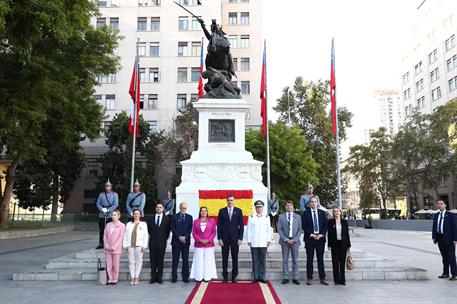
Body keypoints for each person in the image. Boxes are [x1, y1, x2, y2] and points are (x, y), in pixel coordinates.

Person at [217, 194, 244, 283]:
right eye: (228, 200)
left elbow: (242, 226)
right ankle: (225, 276)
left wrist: (240, 238)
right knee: (224, 257)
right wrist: (219, 238)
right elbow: (219, 226)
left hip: (235, 239)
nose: (230, 202)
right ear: (226, 201)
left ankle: (234, 276)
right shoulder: (222, 211)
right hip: (224, 239)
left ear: (234, 201)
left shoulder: (239, 211)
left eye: (231, 200)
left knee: (235, 257)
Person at [302, 196, 328, 285]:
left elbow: (325, 226)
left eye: (315, 202)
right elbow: (304, 226)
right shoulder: (305, 213)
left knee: (320, 259)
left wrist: (321, 235)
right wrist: (312, 235)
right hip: (310, 239)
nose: (313, 203)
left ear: (317, 203)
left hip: (320, 239)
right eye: (312, 202)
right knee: (310, 259)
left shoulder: (322, 213)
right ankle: (309, 277)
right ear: (309, 203)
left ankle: (322, 277)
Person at [247, 200, 272, 283]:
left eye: (260, 207)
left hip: (263, 242)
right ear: (255, 208)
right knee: (255, 260)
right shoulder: (251, 217)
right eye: (257, 207)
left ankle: (262, 277)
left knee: (262, 260)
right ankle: (255, 277)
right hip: (254, 242)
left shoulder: (267, 217)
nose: (259, 209)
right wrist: (249, 240)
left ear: (263, 208)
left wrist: (268, 240)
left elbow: (269, 230)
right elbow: (249, 229)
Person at [190, 206, 218, 282]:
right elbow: (194, 233)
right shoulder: (196, 221)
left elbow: (214, 232)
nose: (203, 212)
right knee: (199, 261)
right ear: (200, 212)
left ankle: (207, 277)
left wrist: (208, 240)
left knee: (208, 261)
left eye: (205, 211)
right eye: (202, 211)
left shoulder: (212, 221)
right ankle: (199, 277)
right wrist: (200, 240)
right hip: (199, 245)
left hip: (209, 245)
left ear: (207, 212)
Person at [277, 200, 302, 285]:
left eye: (290, 205)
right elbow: (279, 229)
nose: (289, 207)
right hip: (284, 242)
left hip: (295, 241)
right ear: (285, 207)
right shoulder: (281, 217)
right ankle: (286, 277)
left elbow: (300, 230)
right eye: (287, 205)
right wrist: (285, 239)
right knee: (285, 260)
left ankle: (295, 277)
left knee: (295, 260)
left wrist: (294, 239)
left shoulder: (298, 217)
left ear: (293, 207)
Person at [432, 200, 457, 280]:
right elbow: (434, 227)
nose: (439, 205)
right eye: (438, 204)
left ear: (445, 205)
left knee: (451, 257)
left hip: (449, 239)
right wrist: (434, 237)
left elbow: (455, 228)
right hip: (440, 238)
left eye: (441, 204)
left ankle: (454, 274)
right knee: (444, 257)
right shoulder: (436, 215)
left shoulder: (451, 215)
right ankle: (445, 273)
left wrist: (455, 239)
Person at [123, 209, 149, 285]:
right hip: (130, 245)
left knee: (138, 261)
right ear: (133, 215)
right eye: (135, 214)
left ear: (140, 215)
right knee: (131, 262)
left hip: (139, 245)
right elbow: (125, 235)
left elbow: (145, 235)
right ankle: (132, 277)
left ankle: (137, 276)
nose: (136, 215)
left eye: (138, 214)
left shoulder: (143, 224)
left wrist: (144, 245)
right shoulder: (128, 224)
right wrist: (125, 245)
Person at [148, 202, 171, 284]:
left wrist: (163, 238)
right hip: (152, 242)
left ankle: (159, 277)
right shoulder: (151, 218)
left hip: (162, 242)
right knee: (152, 260)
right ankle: (153, 277)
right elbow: (149, 230)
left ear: (163, 209)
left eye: (160, 207)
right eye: (157, 207)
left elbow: (167, 231)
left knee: (161, 260)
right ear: (155, 208)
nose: (158, 208)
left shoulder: (167, 219)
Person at [328, 207, 351, 285]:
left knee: (342, 263)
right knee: (335, 263)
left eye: (338, 211)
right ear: (333, 213)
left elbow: (347, 234)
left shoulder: (344, 222)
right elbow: (329, 235)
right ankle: (336, 280)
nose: (336, 212)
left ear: (340, 212)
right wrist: (329, 245)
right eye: (335, 211)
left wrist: (349, 246)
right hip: (334, 244)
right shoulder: (331, 222)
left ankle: (342, 280)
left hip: (343, 244)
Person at [171, 202, 193, 283]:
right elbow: (173, 228)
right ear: (179, 208)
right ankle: (174, 277)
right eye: (182, 208)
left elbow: (190, 229)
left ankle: (185, 277)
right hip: (176, 241)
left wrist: (185, 237)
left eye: (185, 208)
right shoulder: (174, 217)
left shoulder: (189, 217)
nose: (183, 209)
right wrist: (179, 237)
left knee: (185, 260)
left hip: (186, 241)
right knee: (175, 259)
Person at [95, 179, 119, 249]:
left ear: (111, 187)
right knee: (102, 229)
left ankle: (110, 243)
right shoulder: (101, 194)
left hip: (111, 214)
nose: (107, 187)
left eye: (109, 186)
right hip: (102, 214)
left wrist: (109, 210)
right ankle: (101, 243)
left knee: (110, 230)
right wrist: (102, 209)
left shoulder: (115, 194)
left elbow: (116, 204)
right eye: (106, 186)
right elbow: (98, 203)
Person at [103, 209, 125, 285]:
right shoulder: (108, 225)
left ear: (119, 216)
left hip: (116, 249)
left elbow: (120, 237)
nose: (113, 216)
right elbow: (104, 236)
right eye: (112, 215)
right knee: (109, 264)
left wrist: (114, 247)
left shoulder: (122, 225)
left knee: (115, 265)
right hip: (107, 248)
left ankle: (115, 278)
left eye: (115, 215)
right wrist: (106, 245)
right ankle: (110, 278)